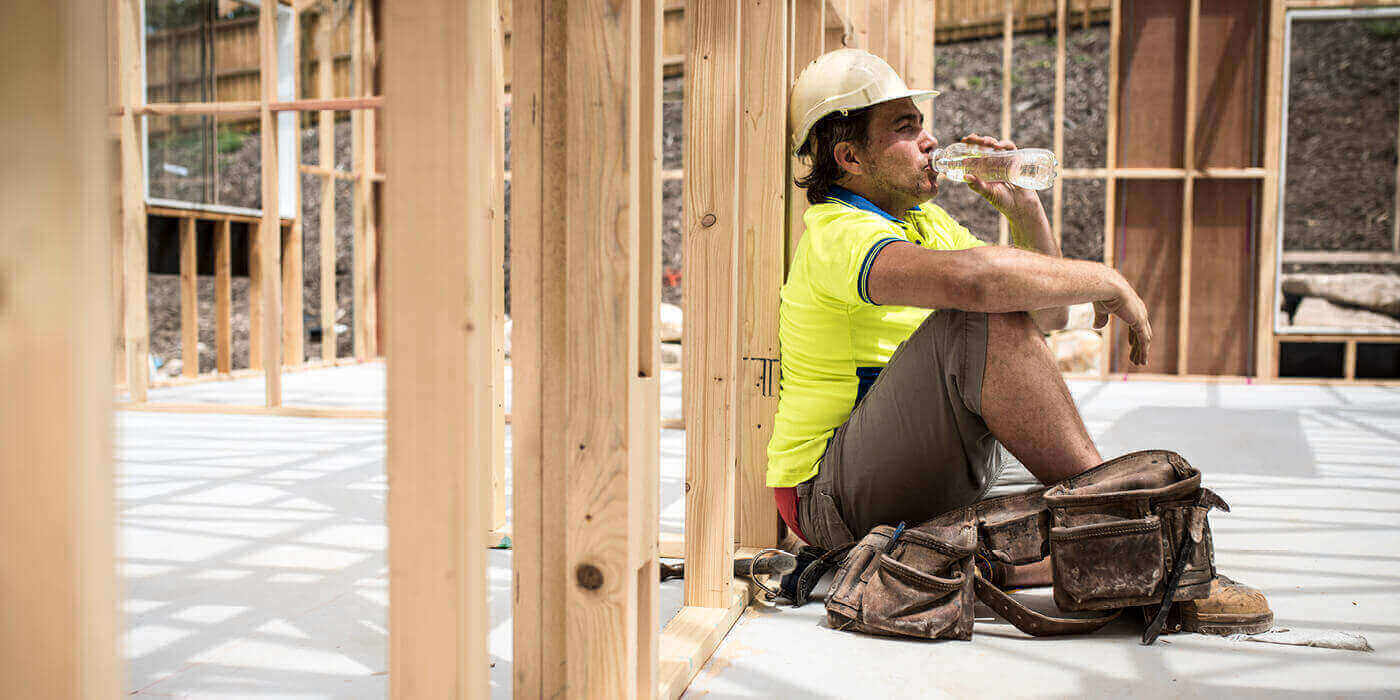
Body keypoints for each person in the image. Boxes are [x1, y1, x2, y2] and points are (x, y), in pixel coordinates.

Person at [768, 48, 1270, 631]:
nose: (930, 140)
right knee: (974, 316)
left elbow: (1046, 316)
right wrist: (1106, 277)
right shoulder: (838, 233)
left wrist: (1025, 211)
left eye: (921, 122)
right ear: (850, 157)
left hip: (910, 471)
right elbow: (980, 287)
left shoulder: (921, 223)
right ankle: (1138, 550)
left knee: (1003, 346)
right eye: (906, 128)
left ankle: (1092, 543)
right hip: (828, 496)